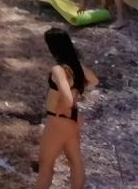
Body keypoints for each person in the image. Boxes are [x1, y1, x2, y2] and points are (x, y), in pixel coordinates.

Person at [36, 27, 98, 189]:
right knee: (75, 161)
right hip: (72, 120)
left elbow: (68, 98)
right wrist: (79, 91)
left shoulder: (58, 70)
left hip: (58, 120)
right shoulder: (77, 67)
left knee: (45, 163)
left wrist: (66, 102)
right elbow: (94, 81)